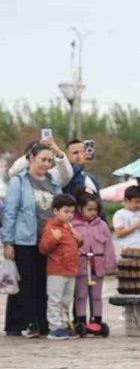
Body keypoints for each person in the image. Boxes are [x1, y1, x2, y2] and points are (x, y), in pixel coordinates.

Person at [3, 141, 62, 337]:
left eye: (49, 160)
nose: (46, 164)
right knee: (26, 282)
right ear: (30, 158)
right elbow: (10, 212)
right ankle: (29, 323)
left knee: (43, 282)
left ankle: (42, 321)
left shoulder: (53, 182)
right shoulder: (18, 181)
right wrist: (8, 241)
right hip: (25, 240)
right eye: (42, 159)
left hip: (48, 241)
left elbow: (60, 211)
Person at [70, 194, 117, 337]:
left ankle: (97, 319)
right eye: (89, 209)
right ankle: (81, 320)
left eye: (95, 210)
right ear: (80, 209)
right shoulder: (73, 225)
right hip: (81, 266)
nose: (93, 213)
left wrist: (110, 265)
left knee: (97, 296)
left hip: (98, 266)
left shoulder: (102, 225)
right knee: (81, 295)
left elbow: (108, 246)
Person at [39, 194, 81, 340]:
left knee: (66, 300)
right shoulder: (51, 227)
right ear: (56, 211)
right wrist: (54, 239)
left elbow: (72, 246)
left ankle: (64, 324)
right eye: (66, 211)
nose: (69, 215)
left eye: (71, 212)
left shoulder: (69, 227)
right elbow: (43, 248)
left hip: (71, 270)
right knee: (55, 300)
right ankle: (54, 327)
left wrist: (79, 240)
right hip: (57, 270)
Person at [111, 186, 140, 255]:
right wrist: (138, 224)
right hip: (128, 250)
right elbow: (119, 233)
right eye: (136, 202)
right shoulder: (120, 213)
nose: (139, 205)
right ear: (126, 200)